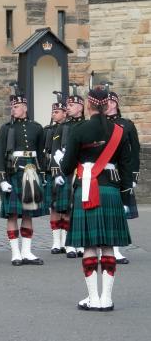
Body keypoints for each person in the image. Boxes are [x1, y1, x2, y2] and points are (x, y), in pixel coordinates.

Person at [56, 86, 132, 311]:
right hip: (111, 190)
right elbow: (127, 165)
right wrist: (125, 197)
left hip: (87, 189)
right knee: (107, 245)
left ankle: (93, 298)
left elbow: (68, 166)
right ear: (107, 104)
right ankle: (107, 299)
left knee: (90, 244)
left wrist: (61, 160)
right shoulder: (120, 130)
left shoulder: (79, 130)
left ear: (89, 105)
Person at [0, 83, 44, 266]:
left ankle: (27, 252)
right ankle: (15, 253)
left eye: (16, 107)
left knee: (29, 214)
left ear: (24, 107)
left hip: (31, 173)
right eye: (11, 107)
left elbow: (41, 154)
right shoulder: (6, 129)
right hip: (13, 173)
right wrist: (1, 180)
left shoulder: (37, 128)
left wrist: (43, 177)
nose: (12, 110)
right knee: (13, 215)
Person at [104, 86, 140, 264]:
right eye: (106, 102)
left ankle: (115, 250)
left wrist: (133, 177)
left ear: (117, 104)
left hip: (121, 172)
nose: (108, 105)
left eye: (111, 102)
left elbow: (135, 152)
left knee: (118, 213)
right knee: (104, 212)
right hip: (103, 173)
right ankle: (102, 248)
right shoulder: (98, 123)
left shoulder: (127, 124)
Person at [61, 84, 86, 258]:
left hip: (84, 169)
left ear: (81, 106)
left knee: (82, 207)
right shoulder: (63, 126)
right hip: (68, 169)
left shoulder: (87, 125)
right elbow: (55, 148)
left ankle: (81, 242)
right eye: (67, 105)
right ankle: (70, 244)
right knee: (68, 207)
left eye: (71, 105)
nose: (68, 108)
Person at [46, 93, 70, 254]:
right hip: (51, 172)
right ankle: (56, 242)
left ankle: (66, 241)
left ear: (64, 113)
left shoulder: (70, 128)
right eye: (53, 112)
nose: (53, 114)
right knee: (54, 207)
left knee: (67, 207)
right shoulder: (47, 130)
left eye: (57, 112)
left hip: (67, 172)